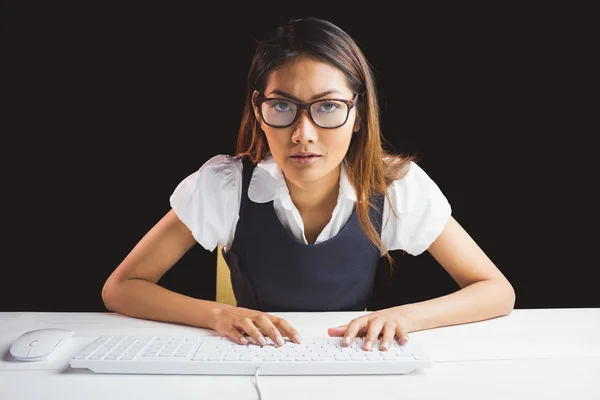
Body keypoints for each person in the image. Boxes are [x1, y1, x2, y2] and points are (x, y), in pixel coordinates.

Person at [101, 17, 515, 352]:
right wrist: (216, 315)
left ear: (358, 113)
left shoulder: (392, 185)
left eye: (328, 107)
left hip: (346, 361)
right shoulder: (225, 184)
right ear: (258, 110)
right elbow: (122, 288)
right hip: (248, 358)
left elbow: (496, 291)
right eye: (282, 106)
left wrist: (404, 317)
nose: (303, 133)